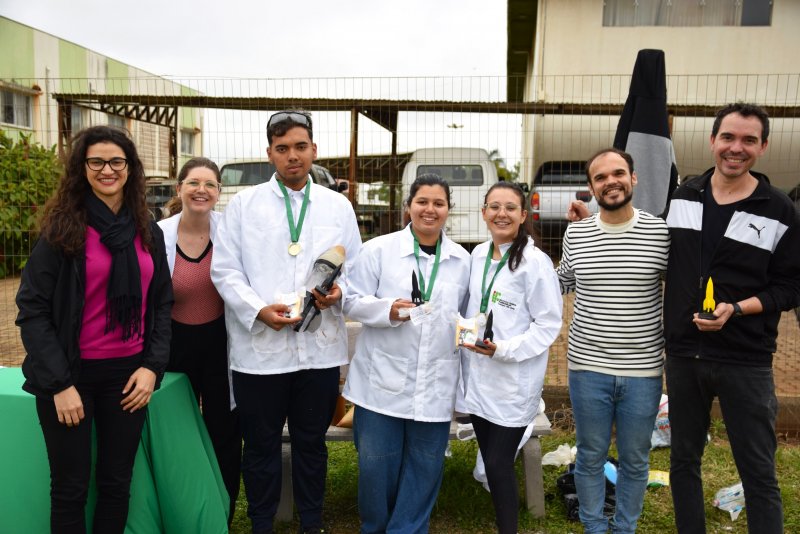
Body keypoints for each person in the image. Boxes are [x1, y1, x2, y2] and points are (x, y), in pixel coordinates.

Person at [15, 125, 173, 533]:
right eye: (97, 162)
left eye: (116, 161)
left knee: (117, 484)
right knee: (70, 488)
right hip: (71, 375)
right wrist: (60, 384)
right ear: (82, 168)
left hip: (128, 378)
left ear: (130, 167)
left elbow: (161, 303)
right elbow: (32, 309)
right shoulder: (62, 229)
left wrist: (151, 367)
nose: (107, 170)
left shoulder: (147, 229)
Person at [211, 110, 361, 534]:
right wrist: (257, 309)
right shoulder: (244, 205)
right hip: (260, 354)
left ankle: (312, 524)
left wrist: (339, 293)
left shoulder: (337, 206)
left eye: (300, 146)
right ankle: (262, 523)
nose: (292, 156)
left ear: (314, 150)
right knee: (260, 446)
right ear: (269, 154)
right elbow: (225, 270)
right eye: (282, 148)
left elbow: (356, 268)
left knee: (311, 445)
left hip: (317, 352)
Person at [664, 103, 800, 533]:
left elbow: (791, 287)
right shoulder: (684, 196)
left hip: (745, 358)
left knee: (757, 470)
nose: (735, 148)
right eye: (728, 137)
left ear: (763, 147)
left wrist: (737, 308)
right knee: (683, 460)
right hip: (684, 355)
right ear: (712, 141)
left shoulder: (777, 209)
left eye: (748, 140)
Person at [343, 174, 471, 534]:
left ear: (448, 210)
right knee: (376, 466)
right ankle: (376, 527)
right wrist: (387, 310)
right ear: (408, 206)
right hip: (380, 384)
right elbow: (350, 300)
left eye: (438, 203)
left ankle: (407, 530)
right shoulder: (378, 250)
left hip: (435, 383)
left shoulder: (462, 260)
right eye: (422, 202)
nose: (430, 209)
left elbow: (467, 317)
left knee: (425, 466)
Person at [558, 148, 670, 533]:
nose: (611, 182)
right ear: (591, 188)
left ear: (633, 178)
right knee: (590, 455)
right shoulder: (577, 233)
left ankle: (624, 529)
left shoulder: (659, 232)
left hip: (643, 370)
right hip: (587, 367)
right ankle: (594, 527)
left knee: (635, 459)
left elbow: (682, 287)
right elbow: (561, 282)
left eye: (618, 173)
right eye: (601, 177)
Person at [458, 182, 562, 534]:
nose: (501, 214)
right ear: (484, 212)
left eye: (510, 208)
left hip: (513, 382)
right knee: (491, 460)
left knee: (499, 464)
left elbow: (548, 325)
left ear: (523, 215)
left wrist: (503, 349)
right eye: (494, 207)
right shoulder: (477, 255)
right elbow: (474, 308)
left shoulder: (535, 263)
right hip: (479, 378)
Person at [158, 157, 241, 524]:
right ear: (179, 188)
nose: (201, 190)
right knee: (178, 432)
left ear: (218, 193)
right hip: (173, 347)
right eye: (193, 183)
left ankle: (223, 513)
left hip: (221, 345)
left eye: (210, 184)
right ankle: (182, 512)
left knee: (225, 432)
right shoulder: (157, 234)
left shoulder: (230, 233)